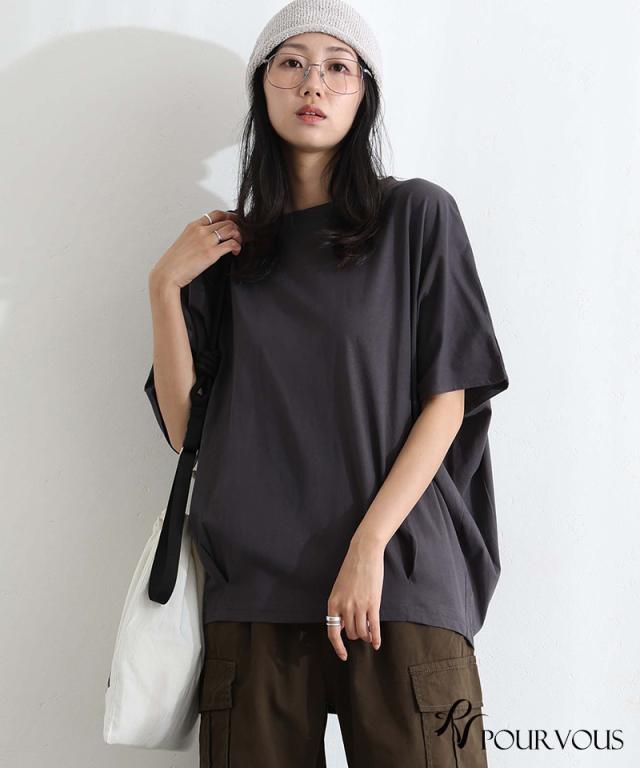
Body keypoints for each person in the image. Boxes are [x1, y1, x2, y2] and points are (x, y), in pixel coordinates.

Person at [144, 1, 509, 765]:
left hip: (397, 576)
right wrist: (163, 288)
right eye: (291, 63)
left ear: (363, 92)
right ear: (263, 86)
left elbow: (447, 402)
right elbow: (186, 432)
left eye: (338, 66)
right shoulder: (227, 252)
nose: (314, 82)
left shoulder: (416, 216)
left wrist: (369, 547)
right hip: (254, 591)